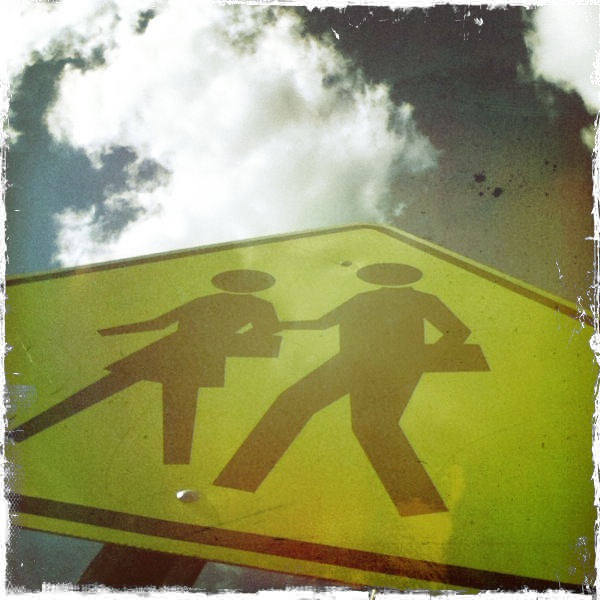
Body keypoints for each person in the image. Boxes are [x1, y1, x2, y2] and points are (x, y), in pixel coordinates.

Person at [214, 263, 489, 516]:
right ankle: (238, 481)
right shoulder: (362, 299)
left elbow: (457, 331)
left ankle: (420, 507)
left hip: (392, 368)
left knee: (373, 426)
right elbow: (323, 323)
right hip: (349, 363)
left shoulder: (423, 300)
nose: (387, 281)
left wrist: (415, 359)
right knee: (292, 402)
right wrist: (282, 325)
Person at [10, 269, 282, 465]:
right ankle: (20, 434)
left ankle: (22, 433)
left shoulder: (235, 304)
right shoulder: (248, 304)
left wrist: (107, 332)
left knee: (174, 412)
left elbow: (158, 324)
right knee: (118, 394)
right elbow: (264, 337)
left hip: (178, 353)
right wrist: (105, 332)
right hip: (183, 355)